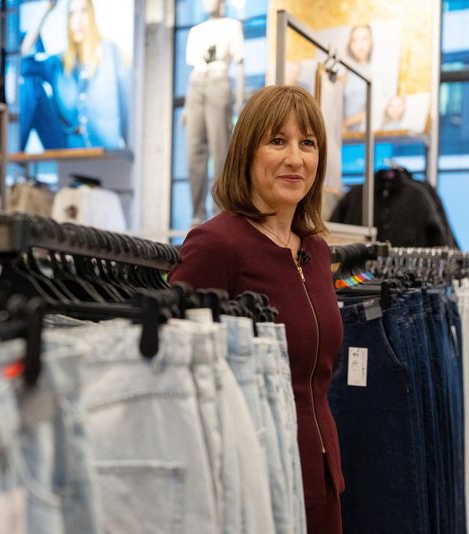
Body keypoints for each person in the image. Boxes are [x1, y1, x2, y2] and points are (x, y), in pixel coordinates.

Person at [170, 85, 345, 533]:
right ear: (247, 152)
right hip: (254, 483)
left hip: (322, 478)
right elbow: (173, 372)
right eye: (278, 141)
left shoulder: (317, 251)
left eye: (308, 143)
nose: (296, 158)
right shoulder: (217, 245)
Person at [19, 0, 130, 150]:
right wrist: (46, 10)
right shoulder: (59, 63)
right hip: (65, 143)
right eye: (72, 14)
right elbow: (24, 61)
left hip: (104, 148)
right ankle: (11, 159)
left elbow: (127, 104)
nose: (77, 20)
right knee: (30, 84)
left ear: (92, 15)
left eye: (83, 11)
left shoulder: (110, 52)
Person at [183, 0, 244, 225]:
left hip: (219, 82)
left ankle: (220, 210)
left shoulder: (232, 25)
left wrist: (238, 99)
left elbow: (239, 64)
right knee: (194, 151)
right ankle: (197, 213)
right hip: (196, 84)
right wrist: (187, 108)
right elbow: (192, 68)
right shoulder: (196, 31)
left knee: (220, 150)